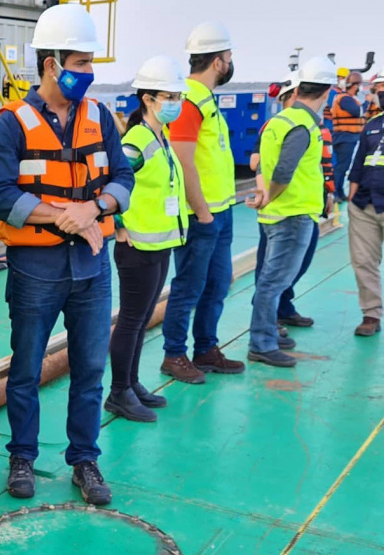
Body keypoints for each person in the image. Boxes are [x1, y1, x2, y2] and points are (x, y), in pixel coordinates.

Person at [0, 3, 133, 503]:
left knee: (90, 368)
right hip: (36, 267)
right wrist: (64, 216)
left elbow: (123, 177)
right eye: (82, 63)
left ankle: (84, 460)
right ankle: (22, 457)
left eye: (90, 63)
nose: (89, 73)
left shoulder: (101, 117)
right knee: (26, 367)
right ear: (51, 65)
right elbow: (1, 194)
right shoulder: (13, 122)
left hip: (92, 267)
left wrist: (95, 207)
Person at [160, 22, 243, 384]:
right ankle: (174, 354)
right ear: (219, 62)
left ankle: (206, 347)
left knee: (217, 282)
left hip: (220, 212)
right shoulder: (190, 100)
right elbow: (182, 158)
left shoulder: (204, 98)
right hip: (201, 215)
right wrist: (204, 212)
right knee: (189, 286)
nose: (229, 62)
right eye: (228, 56)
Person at [108, 55, 188, 423]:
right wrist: (119, 223)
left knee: (141, 320)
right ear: (148, 98)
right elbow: (113, 180)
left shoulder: (161, 135)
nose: (175, 103)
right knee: (130, 319)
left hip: (160, 244)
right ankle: (118, 392)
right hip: (137, 246)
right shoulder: (137, 139)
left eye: (178, 96)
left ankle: (132, 383)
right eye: (168, 96)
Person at [246, 57, 336, 367]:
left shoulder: (279, 120)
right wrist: (269, 196)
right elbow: (284, 170)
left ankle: (268, 330)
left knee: (270, 281)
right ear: (326, 92)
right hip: (292, 215)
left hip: (276, 215)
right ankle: (261, 343)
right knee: (274, 282)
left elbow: (262, 164)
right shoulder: (304, 125)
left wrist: (263, 196)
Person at [347, 71, 384, 337]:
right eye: (378, 88)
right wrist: (352, 195)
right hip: (365, 205)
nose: (380, 92)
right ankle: (371, 314)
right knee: (363, 261)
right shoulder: (372, 124)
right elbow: (359, 162)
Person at [331, 71, 365, 203]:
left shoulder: (346, 98)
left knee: (343, 166)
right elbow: (357, 112)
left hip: (346, 136)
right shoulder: (345, 99)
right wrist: (367, 103)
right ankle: (334, 193)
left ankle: (339, 192)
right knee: (341, 166)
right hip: (345, 137)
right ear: (355, 85)